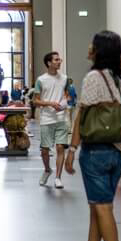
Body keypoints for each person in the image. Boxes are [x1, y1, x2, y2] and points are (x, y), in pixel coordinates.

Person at [64, 31, 121, 241]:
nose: (89, 46)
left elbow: (82, 115)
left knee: (102, 207)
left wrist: (71, 150)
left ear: (99, 50)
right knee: (98, 206)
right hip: (119, 151)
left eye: (93, 44)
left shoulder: (93, 77)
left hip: (97, 151)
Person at [34, 51, 70, 189]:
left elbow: (68, 96)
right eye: (56, 59)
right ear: (49, 63)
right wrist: (50, 104)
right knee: (45, 149)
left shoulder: (65, 79)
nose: (59, 61)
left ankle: (58, 178)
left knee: (60, 147)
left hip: (61, 118)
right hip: (46, 118)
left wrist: (64, 104)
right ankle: (47, 170)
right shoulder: (41, 80)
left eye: (59, 59)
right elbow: (36, 101)